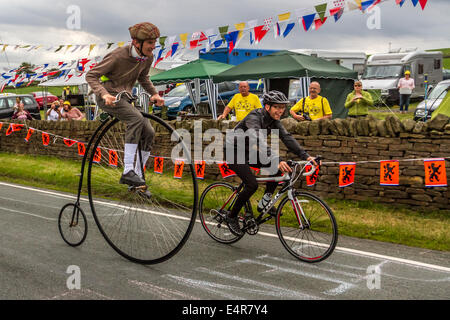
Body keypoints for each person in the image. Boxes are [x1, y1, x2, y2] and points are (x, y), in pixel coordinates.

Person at [223, 90, 317, 236]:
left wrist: (306, 155)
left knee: (278, 169)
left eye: (282, 107)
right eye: (277, 107)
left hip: (249, 151)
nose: (280, 111)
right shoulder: (254, 117)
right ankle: (231, 216)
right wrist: (276, 159)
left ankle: (264, 202)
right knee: (252, 184)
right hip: (233, 152)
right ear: (267, 107)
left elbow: (287, 138)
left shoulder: (273, 122)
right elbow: (257, 139)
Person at [86, 22, 164, 195]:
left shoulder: (147, 57)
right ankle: (128, 170)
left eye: (154, 42)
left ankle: (137, 178)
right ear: (137, 43)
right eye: (150, 43)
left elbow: (143, 77)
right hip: (108, 97)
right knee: (136, 119)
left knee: (149, 131)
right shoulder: (118, 56)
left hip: (125, 97)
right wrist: (104, 94)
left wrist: (154, 94)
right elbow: (91, 75)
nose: (153, 46)